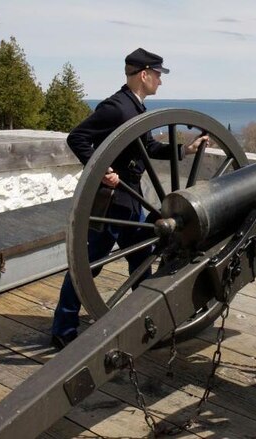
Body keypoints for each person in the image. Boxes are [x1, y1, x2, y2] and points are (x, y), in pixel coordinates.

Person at [52, 48, 208, 350]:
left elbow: (147, 147)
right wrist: (102, 170)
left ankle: (145, 319)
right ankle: (63, 328)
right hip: (113, 203)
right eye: (158, 75)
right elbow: (77, 137)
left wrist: (184, 150)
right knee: (89, 266)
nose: (160, 81)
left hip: (132, 201)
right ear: (144, 74)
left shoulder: (135, 108)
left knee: (141, 260)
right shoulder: (117, 108)